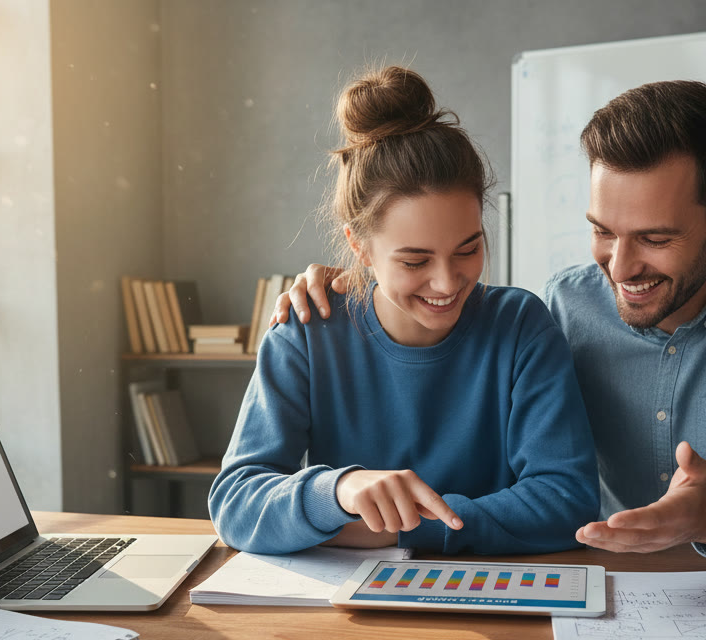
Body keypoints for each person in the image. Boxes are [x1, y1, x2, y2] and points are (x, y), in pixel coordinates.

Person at [273, 80, 706, 570]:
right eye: (603, 232)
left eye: (655, 238)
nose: (620, 268)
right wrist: (359, 277)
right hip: (599, 588)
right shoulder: (567, 305)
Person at [209, 66, 599, 556]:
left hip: (486, 600)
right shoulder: (307, 332)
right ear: (360, 247)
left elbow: (567, 501)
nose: (446, 282)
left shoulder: (519, 326)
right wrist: (338, 490)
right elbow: (234, 502)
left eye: (468, 249)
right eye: (415, 260)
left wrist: (404, 529)